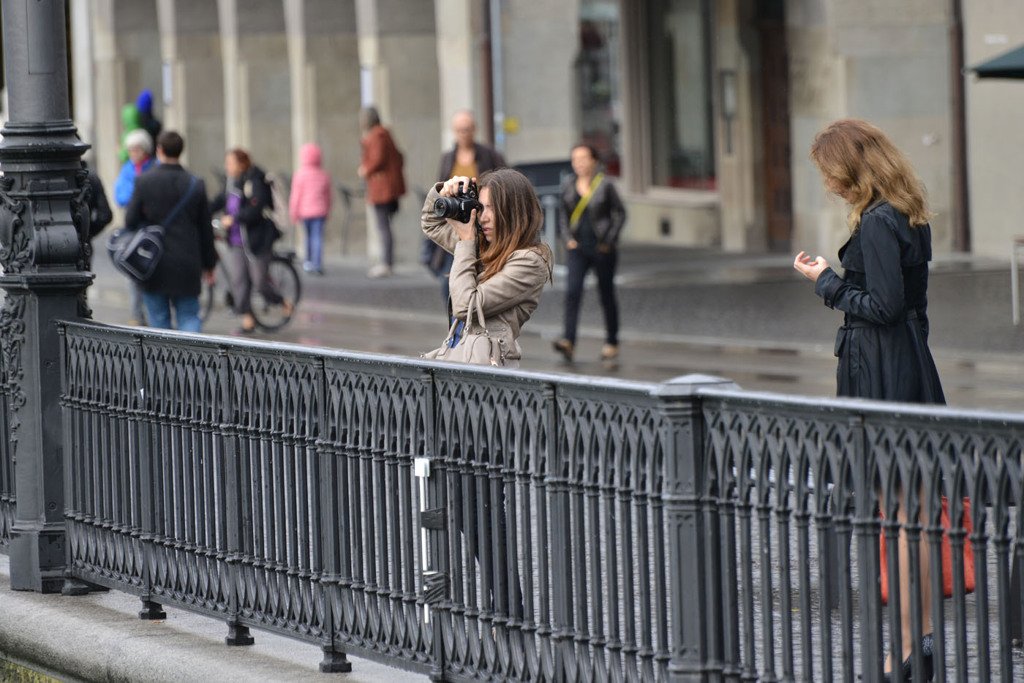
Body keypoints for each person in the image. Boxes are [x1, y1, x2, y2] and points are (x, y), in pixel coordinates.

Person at [793, 118, 944, 681]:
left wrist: (826, 281)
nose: (830, 185)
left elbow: (880, 305)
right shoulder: (907, 213)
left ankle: (905, 649)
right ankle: (921, 642)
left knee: (902, 516)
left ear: (853, 168)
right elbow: (915, 310)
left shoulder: (879, 222)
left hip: (878, 369)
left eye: (832, 175)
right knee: (919, 516)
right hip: (906, 363)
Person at [421, 169, 552, 367]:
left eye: (493, 209)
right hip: (462, 358)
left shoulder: (529, 262)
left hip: (487, 371)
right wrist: (442, 191)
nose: (484, 217)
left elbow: (465, 306)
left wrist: (466, 242)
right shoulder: (485, 246)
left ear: (515, 212)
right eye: (481, 208)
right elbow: (431, 224)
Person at [124, 131, 216, 332]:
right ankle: (192, 362)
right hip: (188, 262)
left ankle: (164, 364)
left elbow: (130, 221)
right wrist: (210, 264)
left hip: (153, 261)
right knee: (189, 317)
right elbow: (205, 228)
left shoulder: (144, 182)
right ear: (180, 151)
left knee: (158, 322)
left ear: (159, 150)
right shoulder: (195, 184)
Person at [552, 143, 626, 363]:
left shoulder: (605, 185)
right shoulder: (568, 185)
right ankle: (568, 341)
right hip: (578, 249)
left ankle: (611, 342)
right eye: (575, 159)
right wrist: (567, 239)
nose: (579, 163)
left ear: (594, 161)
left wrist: (609, 240)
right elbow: (563, 215)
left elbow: (620, 214)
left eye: (583, 158)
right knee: (572, 293)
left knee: (606, 295)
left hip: (602, 248)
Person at [210, 148, 291, 335]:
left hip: (257, 240)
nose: (227, 167)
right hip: (237, 241)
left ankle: (283, 301)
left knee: (260, 282)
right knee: (239, 281)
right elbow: (217, 202)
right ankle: (248, 321)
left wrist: (234, 218)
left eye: (230, 163)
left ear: (241, 164)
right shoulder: (232, 184)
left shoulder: (256, 180)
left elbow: (256, 208)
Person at [428, 110, 507, 301]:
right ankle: (457, 324)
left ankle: (471, 318)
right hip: (455, 224)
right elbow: (439, 187)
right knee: (449, 281)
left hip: (482, 223)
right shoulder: (449, 157)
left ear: (474, 130)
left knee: (479, 277)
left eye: (467, 129)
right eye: (459, 130)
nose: (463, 134)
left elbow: (505, 180)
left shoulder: (488, 154)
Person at [113, 128, 156, 326]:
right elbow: (120, 196)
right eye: (130, 150)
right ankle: (137, 314)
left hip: (151, 226)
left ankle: (152, 312)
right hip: (134, 227)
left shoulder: (154, 167)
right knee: (133, 271)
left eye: (137, 150)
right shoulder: (127, 169)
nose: (133, 154)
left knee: (152, 269)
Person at [358, 106, 405, 278]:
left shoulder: (378, 136)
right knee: (384, 225)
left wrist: (365, 169)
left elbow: (377, 159)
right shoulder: (383, 134)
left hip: (382, 188)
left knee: (383, 225)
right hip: (386, 187)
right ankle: (386, 260)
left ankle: (386, 262)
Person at [288, 142, 333, 275]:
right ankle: (317, 264)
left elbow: (295, 196)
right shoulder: (324, 175)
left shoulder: (300, 175)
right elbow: (328, 196)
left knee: (307, 237)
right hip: (320, 211)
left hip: (304, 212)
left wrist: (293, 213)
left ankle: (308, 262)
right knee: (317, 237)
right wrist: (327, 209)